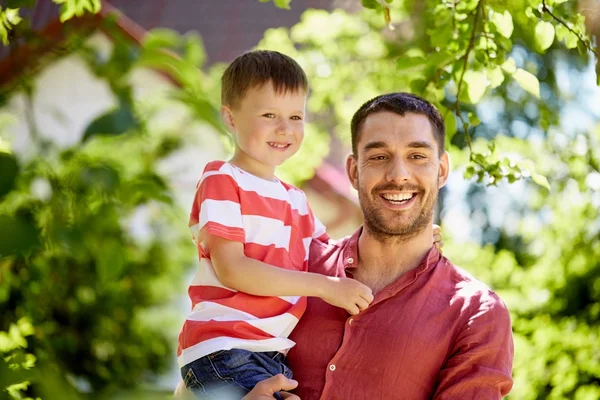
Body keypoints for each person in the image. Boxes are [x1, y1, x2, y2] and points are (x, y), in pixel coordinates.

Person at [243, 92, 514, 399]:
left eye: (417, 156)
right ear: (354, 172)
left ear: (441, 170)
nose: (398, 175)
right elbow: (199, 370)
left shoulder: (476, 314)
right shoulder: (293, 267)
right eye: (379, 157)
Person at [177, 50, 383, 399]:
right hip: (223, 348)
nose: (285, 129)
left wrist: (408, 239)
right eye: (269, 114)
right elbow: (233, 269)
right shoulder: (222, 179)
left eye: (295, 116)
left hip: (271, 354)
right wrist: (325, 287)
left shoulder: (294, 199)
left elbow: (333, 253)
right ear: (230, 117)